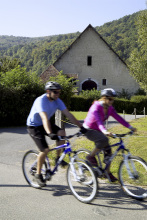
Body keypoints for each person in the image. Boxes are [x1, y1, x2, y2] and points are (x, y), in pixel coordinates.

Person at [27, 81, 83, 187]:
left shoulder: (57, 100)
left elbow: (68, 114)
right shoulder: (41, 100)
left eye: (59, 92)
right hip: (34, 126)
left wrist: (81, 127)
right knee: (45, 150)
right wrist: (50, 133)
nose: (58, 94)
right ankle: (38, 175)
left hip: (45, 123)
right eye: (56, 92)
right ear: (48, 91)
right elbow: (44, 117)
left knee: (62, 132)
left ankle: (58, 158)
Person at [82, 88, 136, 182]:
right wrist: (105, 131)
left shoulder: (110, 108)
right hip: (88, 129)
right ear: (104, 98)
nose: (112, 101)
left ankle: (107, 172)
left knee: (108, 151)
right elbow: (99, 122)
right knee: (104, 140)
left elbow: (118, 118)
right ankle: (90, 156)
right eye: (110, 99)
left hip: (98, 130)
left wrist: (130, 127)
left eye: (113, 99)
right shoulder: (96, 107)